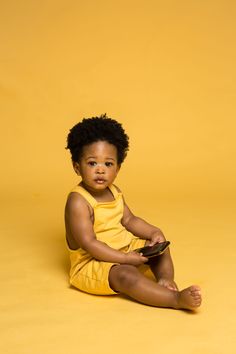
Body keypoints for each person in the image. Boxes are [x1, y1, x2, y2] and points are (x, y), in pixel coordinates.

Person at [65, 114, 202, 310]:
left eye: (108, 164)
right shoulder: (78, 201)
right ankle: (175, 300)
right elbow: (89, 243)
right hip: (93, 264)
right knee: (125, 275)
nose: (101, 170)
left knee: (160, 246)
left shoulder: (114, 191)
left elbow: (129, 220)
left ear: (118, 168)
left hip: (123, 252)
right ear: (77, 167)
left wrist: (153, 232)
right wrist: (125, 260)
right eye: (92, 163)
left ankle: (165, 281)